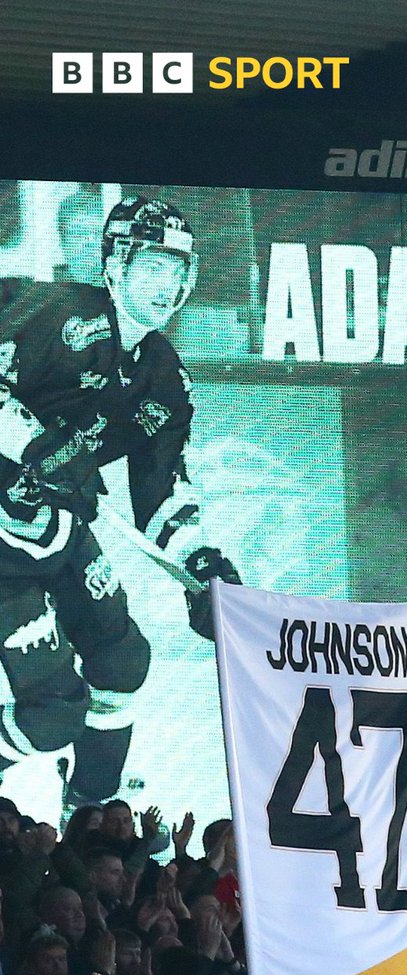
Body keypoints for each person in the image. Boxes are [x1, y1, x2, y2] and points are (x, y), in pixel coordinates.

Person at [0, 196, 240, 817]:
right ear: (115, 262)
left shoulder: (163, 376)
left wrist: (202, 565)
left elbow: (159, 486)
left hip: (55, 527)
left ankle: (91, 814)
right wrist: (35, 443)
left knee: (122, 660)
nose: (171, 285)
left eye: (180, 271)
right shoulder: (57, 312)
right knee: (53, 712)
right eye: (155, 266)